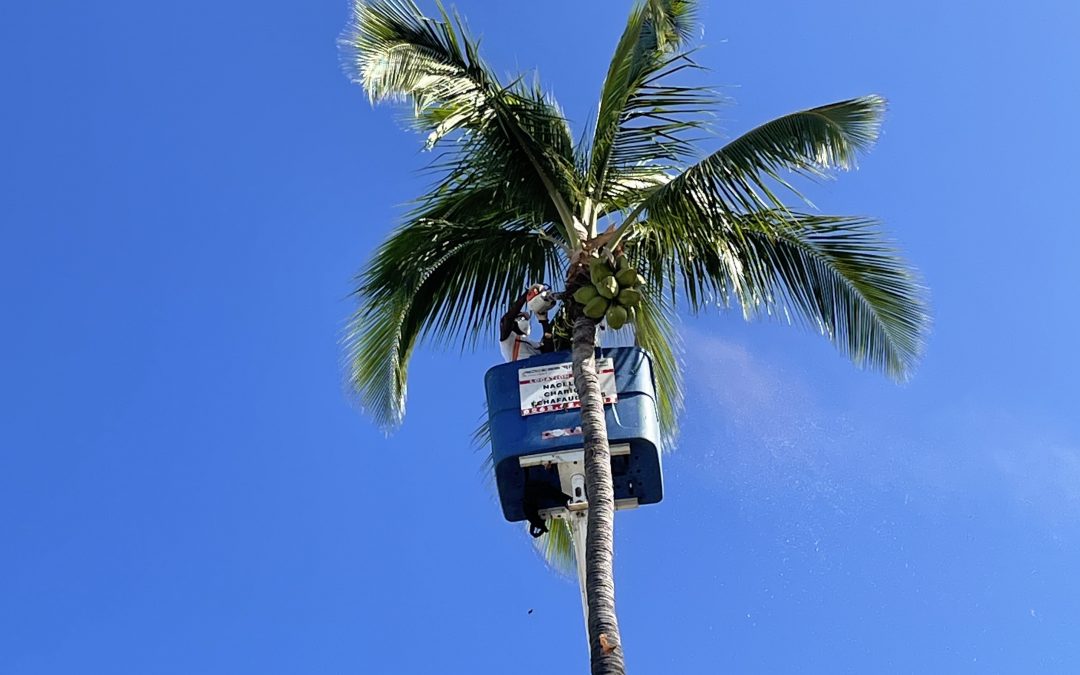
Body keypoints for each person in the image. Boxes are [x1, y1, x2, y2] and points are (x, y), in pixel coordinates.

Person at [499, 284, 555, 362]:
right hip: (521, 371)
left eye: (526, 319)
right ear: (514, 322)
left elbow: (549, 349)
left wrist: (544, 321)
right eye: (522, 318)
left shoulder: (534, 344)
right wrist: (527, 294)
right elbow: (507, 318)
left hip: (539, 370)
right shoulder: (508, 340)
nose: (525, 321)